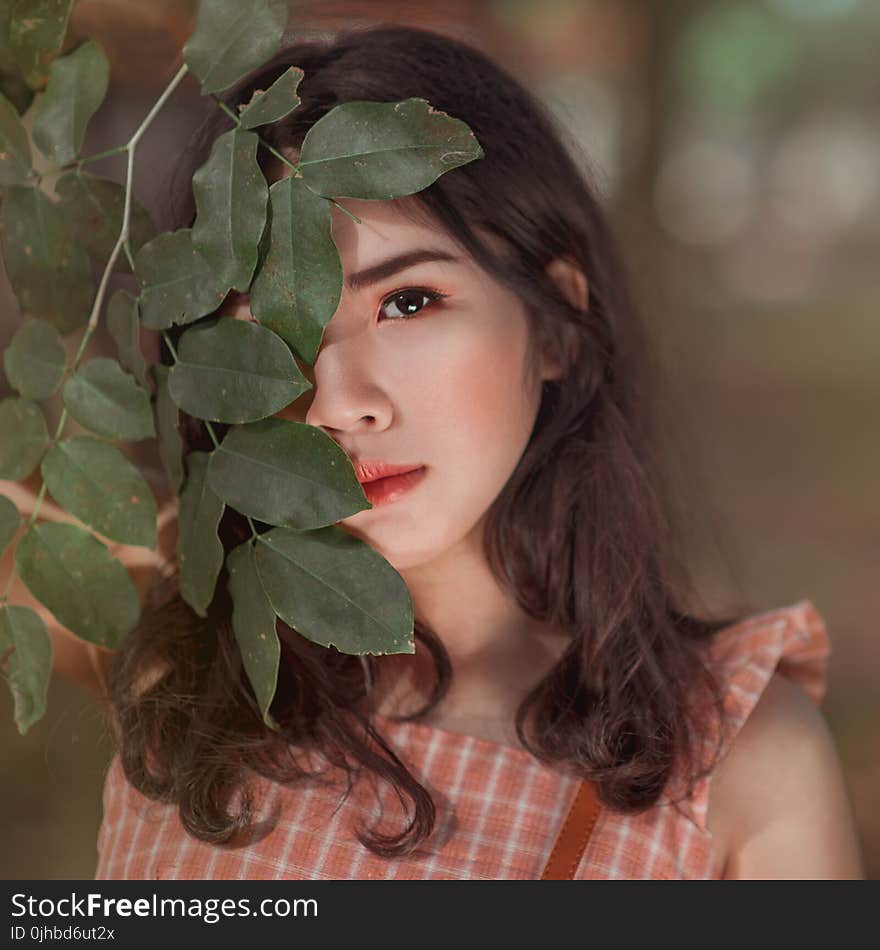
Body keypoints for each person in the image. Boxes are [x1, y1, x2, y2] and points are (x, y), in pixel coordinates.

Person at [17, 23, 864, 879]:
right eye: (273, 329)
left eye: (411, 302)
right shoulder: (171, 639)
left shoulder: (737, 764)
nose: (344, 403)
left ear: (557, 326)